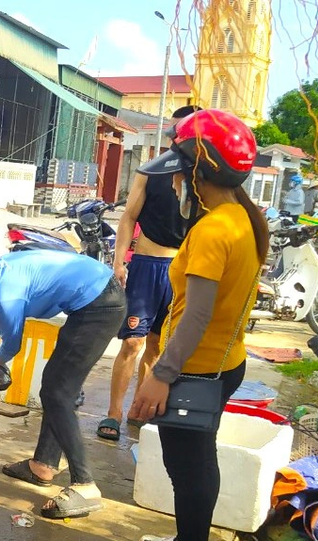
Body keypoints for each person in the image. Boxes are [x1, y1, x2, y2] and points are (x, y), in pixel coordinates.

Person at [124, 109, 269, 541]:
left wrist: (161, 374)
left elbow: (199, 313)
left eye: (184, 170)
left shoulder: (212, 230)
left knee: (188, 469)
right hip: (224, 363)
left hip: (195, 369)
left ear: (198, 172)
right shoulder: (241, 220)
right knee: (195, 462)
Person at [0, 248, 125, 519]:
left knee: (58, 393)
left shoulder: (5, 292)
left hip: (99, 305)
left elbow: (12, 342)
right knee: (57, 389)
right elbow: (0, 322)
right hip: (96, 298)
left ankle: (85, 486)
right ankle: (43, 465)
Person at [100, 104, 201, 442]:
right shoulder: (151, 170)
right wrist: (119, 261)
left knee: (158, 346)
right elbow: (128, 217)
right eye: (175, 131)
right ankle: (114, 413)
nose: (177, 138)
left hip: (181, 270)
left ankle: (137, 412)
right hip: (146, 266)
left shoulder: (202, 177)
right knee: (132, 343)